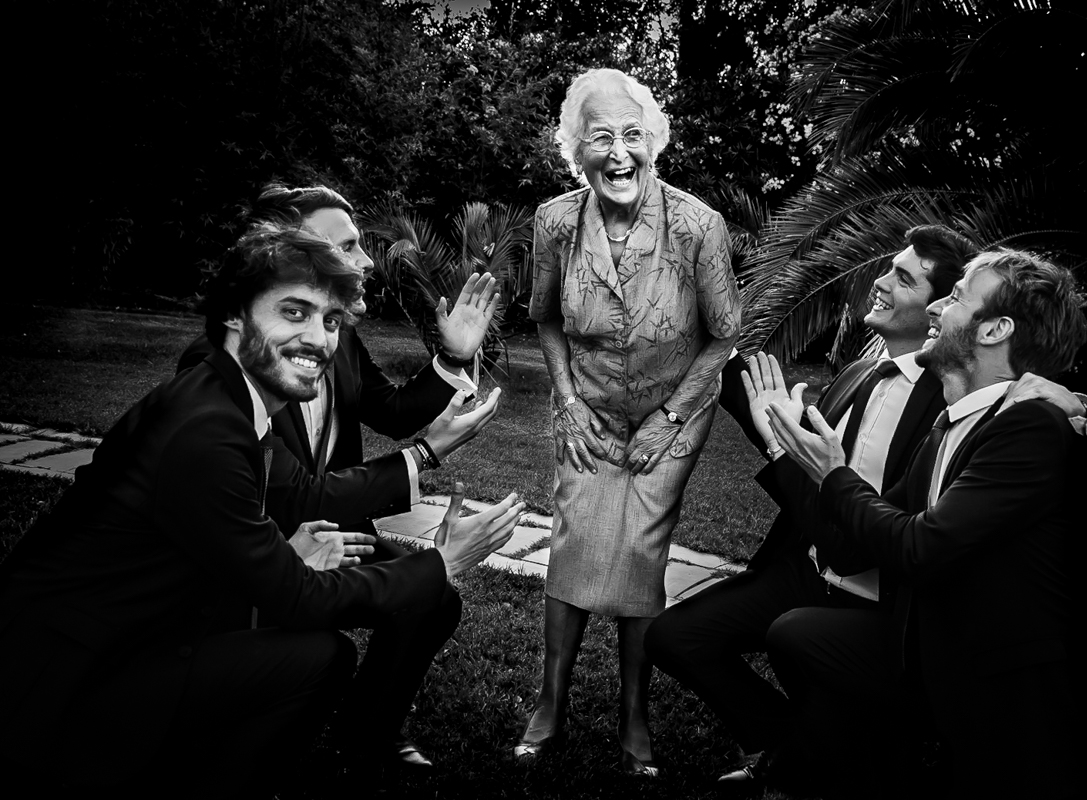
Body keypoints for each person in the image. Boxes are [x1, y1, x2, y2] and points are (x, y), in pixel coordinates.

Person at [0, 223, 525, 797]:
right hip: (72, 673)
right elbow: (296, 598)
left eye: (330, 321)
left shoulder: (225, 400)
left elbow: (233, 531)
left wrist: (285, 558)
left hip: (131, 631)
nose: (319, 339)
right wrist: (441, 562)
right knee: (318, 655)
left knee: (320, 653)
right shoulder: (207, 430)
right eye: (294, 312)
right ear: (234, 314)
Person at [766, 249, 1087, 798]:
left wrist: (833, 473)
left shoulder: (1033, 424)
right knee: (797, 634)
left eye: (956, 296)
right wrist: (790, 451)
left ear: (994, 329)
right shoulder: (953, 423)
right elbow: (859, 543)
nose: (936, 306)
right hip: (930, 644)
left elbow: (919, 548)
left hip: (1011, 686)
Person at [177, 183, 499, 774]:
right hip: (263, 548)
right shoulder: (220, 362)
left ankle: (368, 732)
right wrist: (424, 454)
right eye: (347, 246)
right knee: (329, 647)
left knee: (433, 599)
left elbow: (392, 409)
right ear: (292, 252)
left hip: (335, 532)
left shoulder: (340, 336)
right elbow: (292, 496)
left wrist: (453, 358)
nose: (367, 260)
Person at [644, 224, 972, 785]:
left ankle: (809, 754)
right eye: (888, 269)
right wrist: (710, 334)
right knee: (674, 638)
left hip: (873, 601)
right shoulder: (859, 372)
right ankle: (788, 744)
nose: (881, 282)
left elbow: (852, 538)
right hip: (806, 569)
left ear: (938, 308)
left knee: (861, 760)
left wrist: (782, 448)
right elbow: (802, 460)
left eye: (903, 279)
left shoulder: (945, 404)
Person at [519, 68, 740, 777]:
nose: (619, 153)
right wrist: (567, 399)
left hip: (673, 413)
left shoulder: (698, 226)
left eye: (632, 136)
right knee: (574, 540)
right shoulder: (556, 222)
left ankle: (634, 713)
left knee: (642, 552)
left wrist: (670, 417)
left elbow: (724, 336)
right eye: (600, 138)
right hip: (585, 407)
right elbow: (545, 319)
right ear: (575, 150)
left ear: (654, 143)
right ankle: (550, 702)